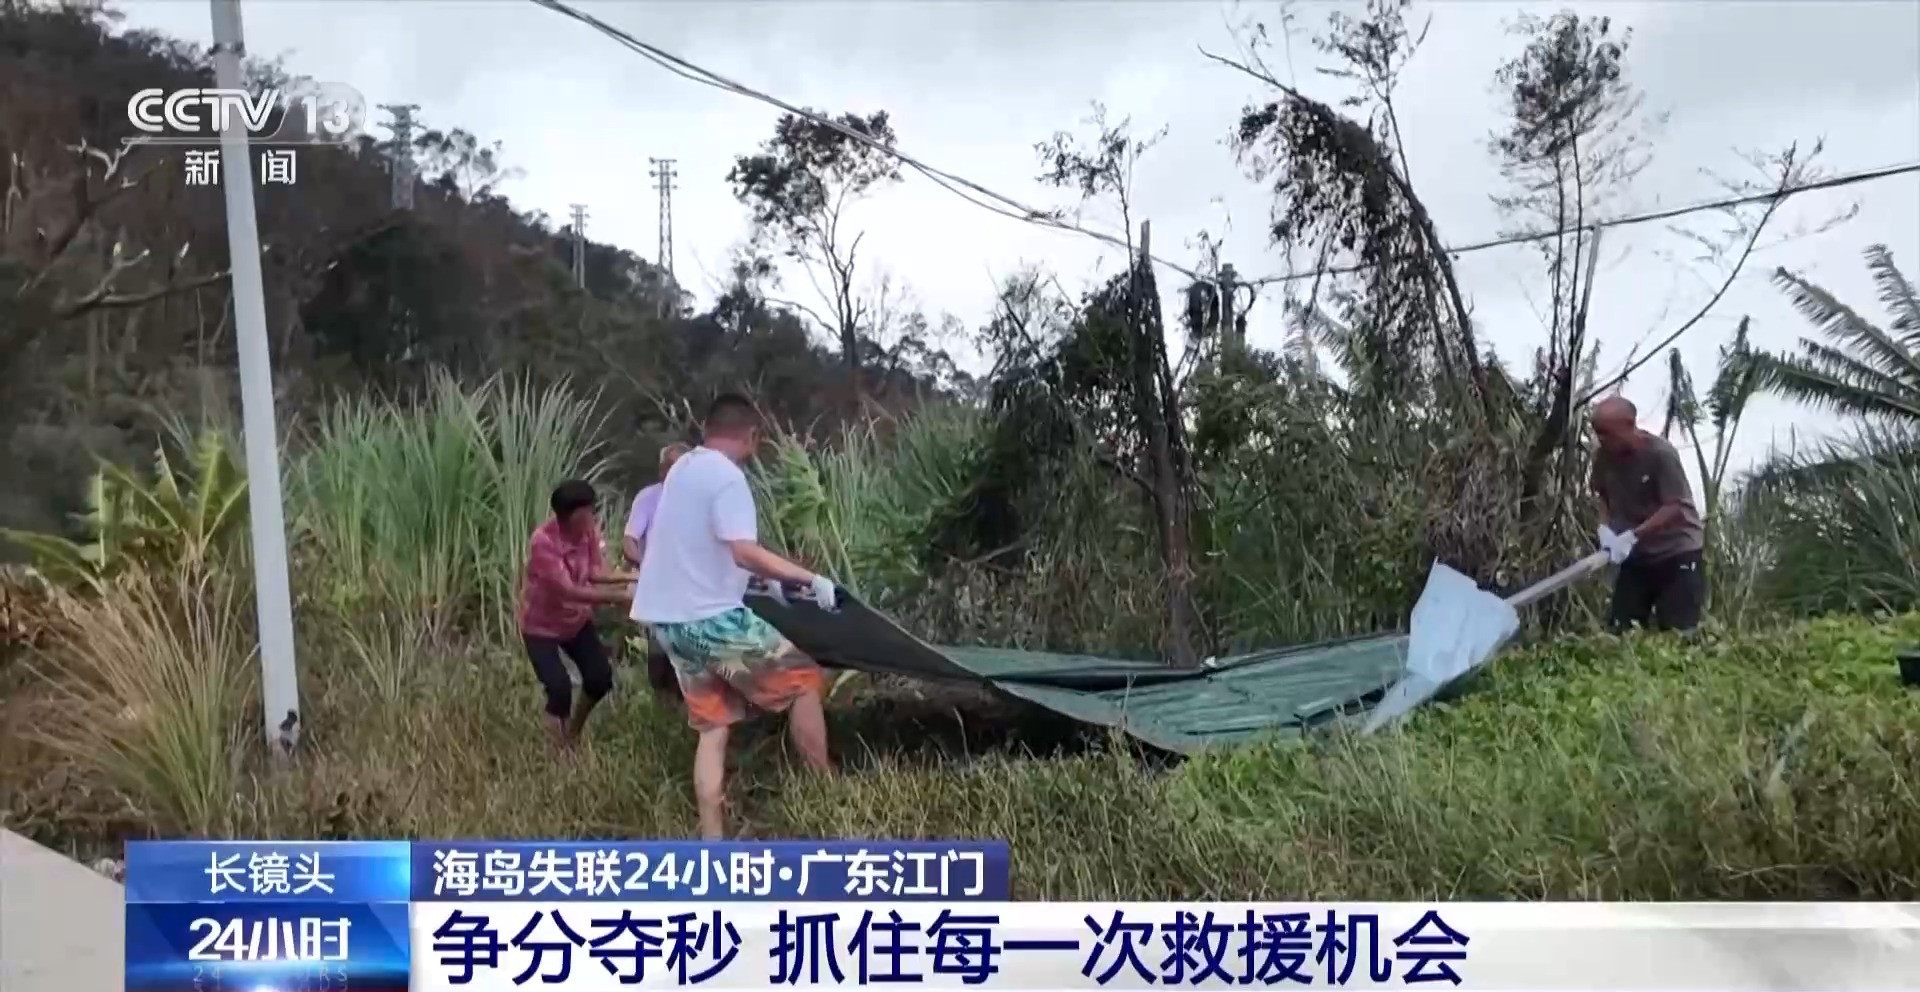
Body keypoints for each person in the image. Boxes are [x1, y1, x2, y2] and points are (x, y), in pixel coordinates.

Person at [630, 393, 838, 839]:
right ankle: (828, 793)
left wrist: (765, 581)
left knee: (715, 725)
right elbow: (744, 551)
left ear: (707, 429)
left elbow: (701, 546)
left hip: (670, 622)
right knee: (804, 679)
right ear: (752, 435)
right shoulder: (728, 477)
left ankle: (713, 842)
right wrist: (810, 579)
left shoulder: (683, 469)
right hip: (710, 618)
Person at [518, 479, 635, 751]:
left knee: (599, 679)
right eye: (587, 512)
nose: (592, 518)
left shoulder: (587, 531)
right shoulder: (544, 542)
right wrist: (619, 598)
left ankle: (573, 734)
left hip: (575, 622)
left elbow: (595, 573)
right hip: (541, 627)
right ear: (569, 515)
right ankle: (556, 750)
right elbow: (569, 590)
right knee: (559, 688)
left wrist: (634, 578)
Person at [1588, 396, 1707, 632]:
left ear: (1629, 425)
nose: (1602, 439)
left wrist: (1633, 535)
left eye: (1607, 433)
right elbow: (1601, 494)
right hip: (1637, 556)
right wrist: (1605, 528)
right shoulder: (1603, 457)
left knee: (1678, 633)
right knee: (1621, 629)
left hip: (1676, 552)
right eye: (1598, 433)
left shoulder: (1660, 455)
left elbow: (1675, 506)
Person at [624, 442, 691, 705]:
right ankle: (663, 703)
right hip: (657, 585)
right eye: (670, 467)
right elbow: (630, 541)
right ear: (662, 470)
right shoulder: (649, 497)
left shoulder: (699, 500)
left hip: (691, 586)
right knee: (660, 646)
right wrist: (647, 567)